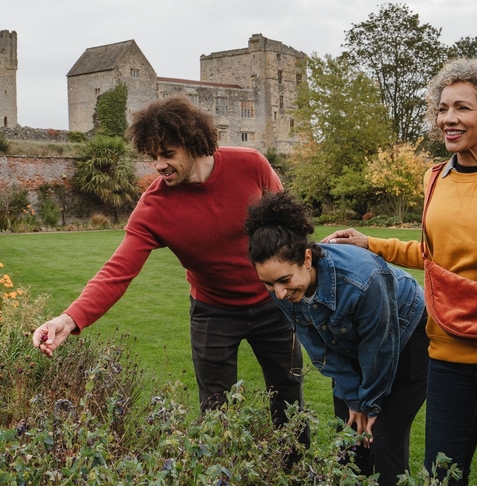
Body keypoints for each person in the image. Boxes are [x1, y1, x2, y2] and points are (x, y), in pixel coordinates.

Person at [325, 58, 477, 486]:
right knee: (442, 478)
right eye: (442, 108)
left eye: (463, 107)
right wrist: (371, 244)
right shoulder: (435, 177)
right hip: (443, 353)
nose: (448, 119)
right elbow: (434, 254)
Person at [32, 94, 307, 444]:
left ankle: (297, 479)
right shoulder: (154, 207)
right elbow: (118, 270)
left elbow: (291, 228)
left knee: (289, 398)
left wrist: (301, 287)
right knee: (215, 411)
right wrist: (68, 320)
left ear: (193, 144)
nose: (159, 166)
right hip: (213, 312)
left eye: (168, 154)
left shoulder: (250, 165)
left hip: (273, 304)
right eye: (153, 156)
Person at [245, 190, 427, 486]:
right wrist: (352, 398)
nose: (278, 293)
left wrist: (369, 403)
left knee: (382, 438)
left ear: (306, 258)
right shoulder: (286, 289)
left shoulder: (363, 278)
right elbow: (318, 348)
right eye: (268, 284)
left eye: (284, 280)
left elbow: (378, 347)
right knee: (349, 437)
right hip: (353, 344)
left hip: (407, 337)